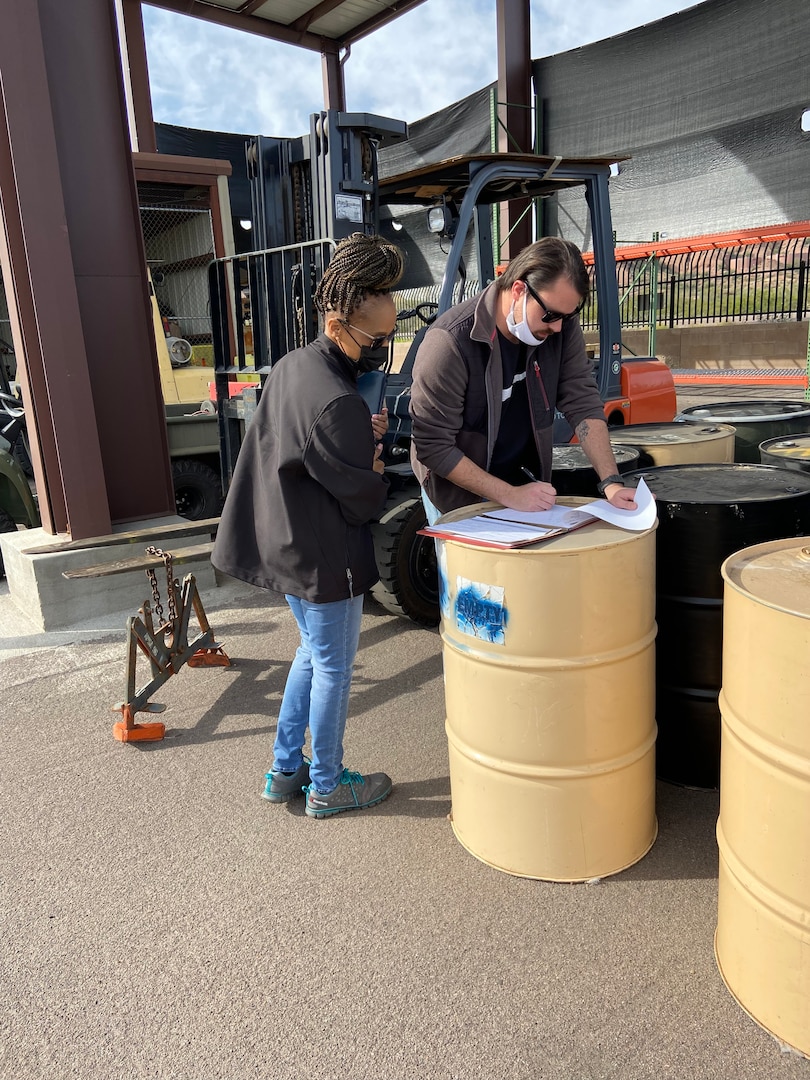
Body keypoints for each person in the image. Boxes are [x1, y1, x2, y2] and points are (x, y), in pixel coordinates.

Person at [211, 232, 403, 818]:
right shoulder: (340, 402)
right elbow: (362, 499)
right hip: (324, 554)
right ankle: (326, 783)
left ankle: (284, 768)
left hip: (282, 540)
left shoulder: (294, 366)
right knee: (335, 669)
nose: (381, 349)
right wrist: (370, 456)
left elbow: (301, 448)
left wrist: (353, 442)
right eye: (378, 338)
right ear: (340, 318)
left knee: (311, 654)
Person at [409, 236, 637, 524]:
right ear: (519, 289)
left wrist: (611, 483)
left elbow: (581, 400)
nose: (556, 327)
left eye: (566, 317)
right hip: (460, 496)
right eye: (550, 315)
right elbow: (434, 447)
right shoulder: (450, 343)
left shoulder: (560, 326)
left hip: (526, 486)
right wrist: (508, 495)